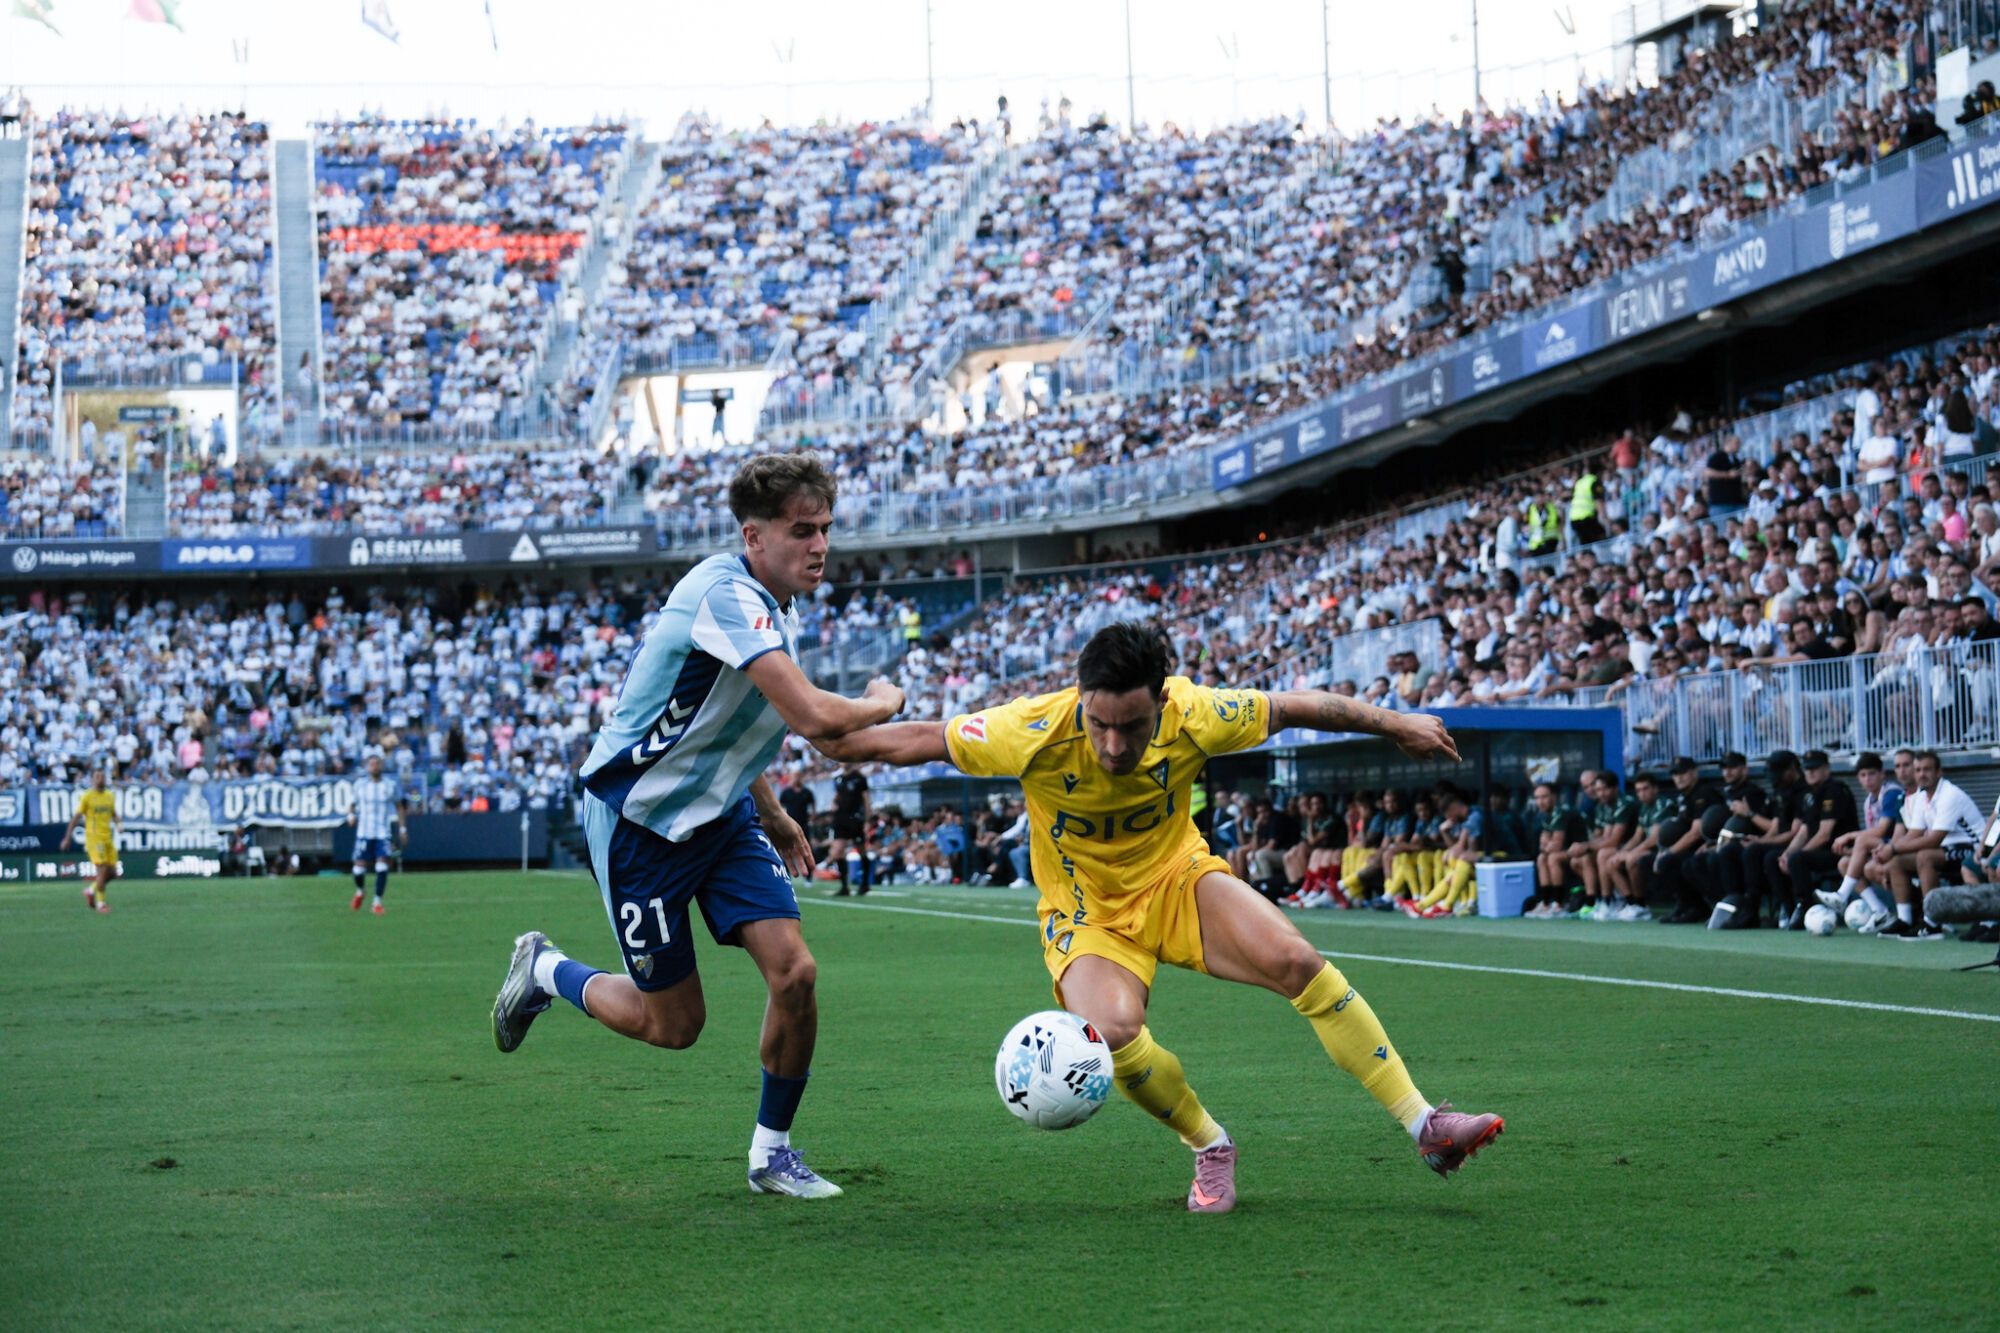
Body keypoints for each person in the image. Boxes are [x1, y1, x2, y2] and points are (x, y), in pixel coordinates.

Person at [813, 623, 1501, 1213]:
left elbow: (1297, 706)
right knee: (1111, 1030)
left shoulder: (1197, 712)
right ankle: (1210, 1144)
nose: (1114, 744)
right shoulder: (1026, 730)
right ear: (1079, 700)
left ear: (1162, 702)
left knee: (1297, 960)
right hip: (1086, 913)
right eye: (1099, 723)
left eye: (1132, 726)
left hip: (1177, 880)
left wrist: (1396, 721)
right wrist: (850, 721)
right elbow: (904, 742)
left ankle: (1427, 1126)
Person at [491, 453, 906, 1200]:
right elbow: (814, 719)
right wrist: (880, 698)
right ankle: (546, 970)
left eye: (826, 529)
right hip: (639, 826)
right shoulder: (725, 595)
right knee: (673, 1025)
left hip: (721, 817)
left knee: (796, 972)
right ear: (754, 536)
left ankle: (771, 1154)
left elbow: (723, 726)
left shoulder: (772, 604)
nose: (820, 545)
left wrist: (774, 813)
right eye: (801, 530)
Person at [1877, 750, 1982, 941]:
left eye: (1927, 769)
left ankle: (1932, 923)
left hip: (1973, 847)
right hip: (1946, 848)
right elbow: (1914, 833)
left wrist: (1892, 848)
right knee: (1896, 862)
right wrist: (1890, 851)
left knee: (1925, 856)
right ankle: (1905, 919)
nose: (1921, 774)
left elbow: (1934, 840)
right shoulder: (1921, 795)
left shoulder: (1949, 794)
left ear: (1938, 772)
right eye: (1918, 770)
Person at [1816, 750, 1909, 928]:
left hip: (1898, 846)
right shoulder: (1869, 801)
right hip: (1882, 848)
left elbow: (1881, 831)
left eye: (1872, 774)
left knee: (1863, 841)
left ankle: (1842, 895)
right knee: (1844, 863)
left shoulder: (1891, 793)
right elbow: (1870, 836)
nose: (1868, 779)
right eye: (1863, 775)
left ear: (1882, 774)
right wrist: (1853, 851)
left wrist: (1850, 836)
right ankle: (1880, 911)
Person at [1776, 751, 1858, 929]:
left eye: (1815, 768)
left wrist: (1796, 855)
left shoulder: (1834, 790)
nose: (1810, 773)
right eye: (1807, 769)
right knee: (1774, 858)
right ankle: (1787, 906)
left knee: (1798, 859)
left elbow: (1824, 834)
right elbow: (1804, 831)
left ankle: (1805, 905)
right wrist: (1787, 853)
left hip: (1838, 851)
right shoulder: (1810, 795)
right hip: (1820, 851)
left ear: (1826, 769)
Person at [348, 754, 406, 915]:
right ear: (367, 766)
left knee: (382, 865)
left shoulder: (390, 785)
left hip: (382, 832)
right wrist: (350, 816)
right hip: (364, 832)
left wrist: (402, 829)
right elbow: (352, 805)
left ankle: (377, 902)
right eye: (371, 764)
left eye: (377, 764)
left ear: (381, 766)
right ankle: (360, 891)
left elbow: (400, 806)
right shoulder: (360, 785)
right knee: (358, 869)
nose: (374, 767)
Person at [59, 767, 119, 913]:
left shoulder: (109, 796)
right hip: (94, 838)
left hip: (107, 837)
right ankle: (101, 904)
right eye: (97, 777)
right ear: (92, 780)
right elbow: (76, 818)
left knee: (113, 873)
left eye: (102, 776)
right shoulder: (87, 797)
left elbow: (114, 813)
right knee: (102, 870)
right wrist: (67, 838)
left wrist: (119, 824)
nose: (101, 779)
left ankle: (91, 890)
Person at [829, 762, 871, 896]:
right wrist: (834, 804)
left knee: (861, 851)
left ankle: (864, 884)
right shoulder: (838, 779)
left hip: (855, 819)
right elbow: (837, 795)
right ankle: (844, 886)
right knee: (837, 851)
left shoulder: (859, 778)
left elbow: (866, 799)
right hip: (840, 818)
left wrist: (868, 819)